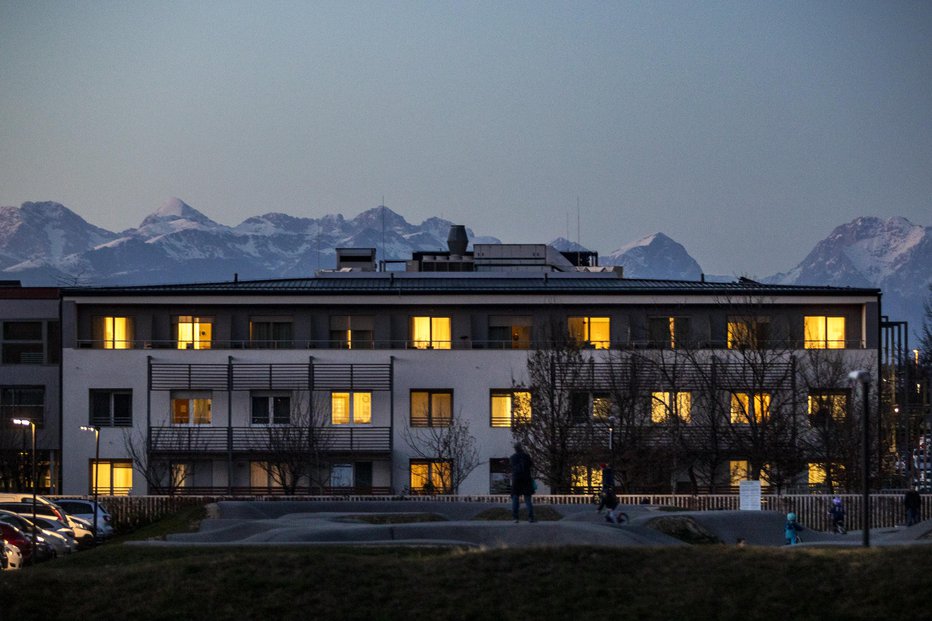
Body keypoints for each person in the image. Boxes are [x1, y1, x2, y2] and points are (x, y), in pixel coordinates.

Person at [510, 442, 535, 523]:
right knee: (527, 499)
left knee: (515, 498)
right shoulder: (526, 456)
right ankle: (530, 517)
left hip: (516, 479)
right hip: (526, 479)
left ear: (515, 449)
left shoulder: (513, 458)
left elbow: (511, 467)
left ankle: (515, 517)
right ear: (521, 448)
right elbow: (531, 465)